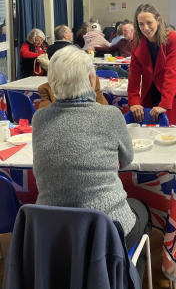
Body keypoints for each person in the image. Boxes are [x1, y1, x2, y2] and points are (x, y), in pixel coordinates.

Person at [32, 45, 151, 280]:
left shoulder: (40, 118)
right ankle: (126, 279)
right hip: (105, 229)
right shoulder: (109, 115)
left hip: (52, 231)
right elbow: (126, 159)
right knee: (143, 209)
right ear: (90, 78)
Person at [128, 3, 176, 140]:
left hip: (172, 89)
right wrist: (134, 100)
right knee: (151, 133)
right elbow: (134, 72)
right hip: (151, 87)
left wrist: (164, 103)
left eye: (149, 23)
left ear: (158, 20)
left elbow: (172, 72)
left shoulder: (172, 38)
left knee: (175, 133)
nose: (145, 28)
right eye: (141, 24)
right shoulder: (137, 39)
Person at [40, 25, 108, 109]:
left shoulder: (50, 48)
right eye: (70, 32)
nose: (72, 34)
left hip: (57, 81)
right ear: (65, 35)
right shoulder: (75, 48)